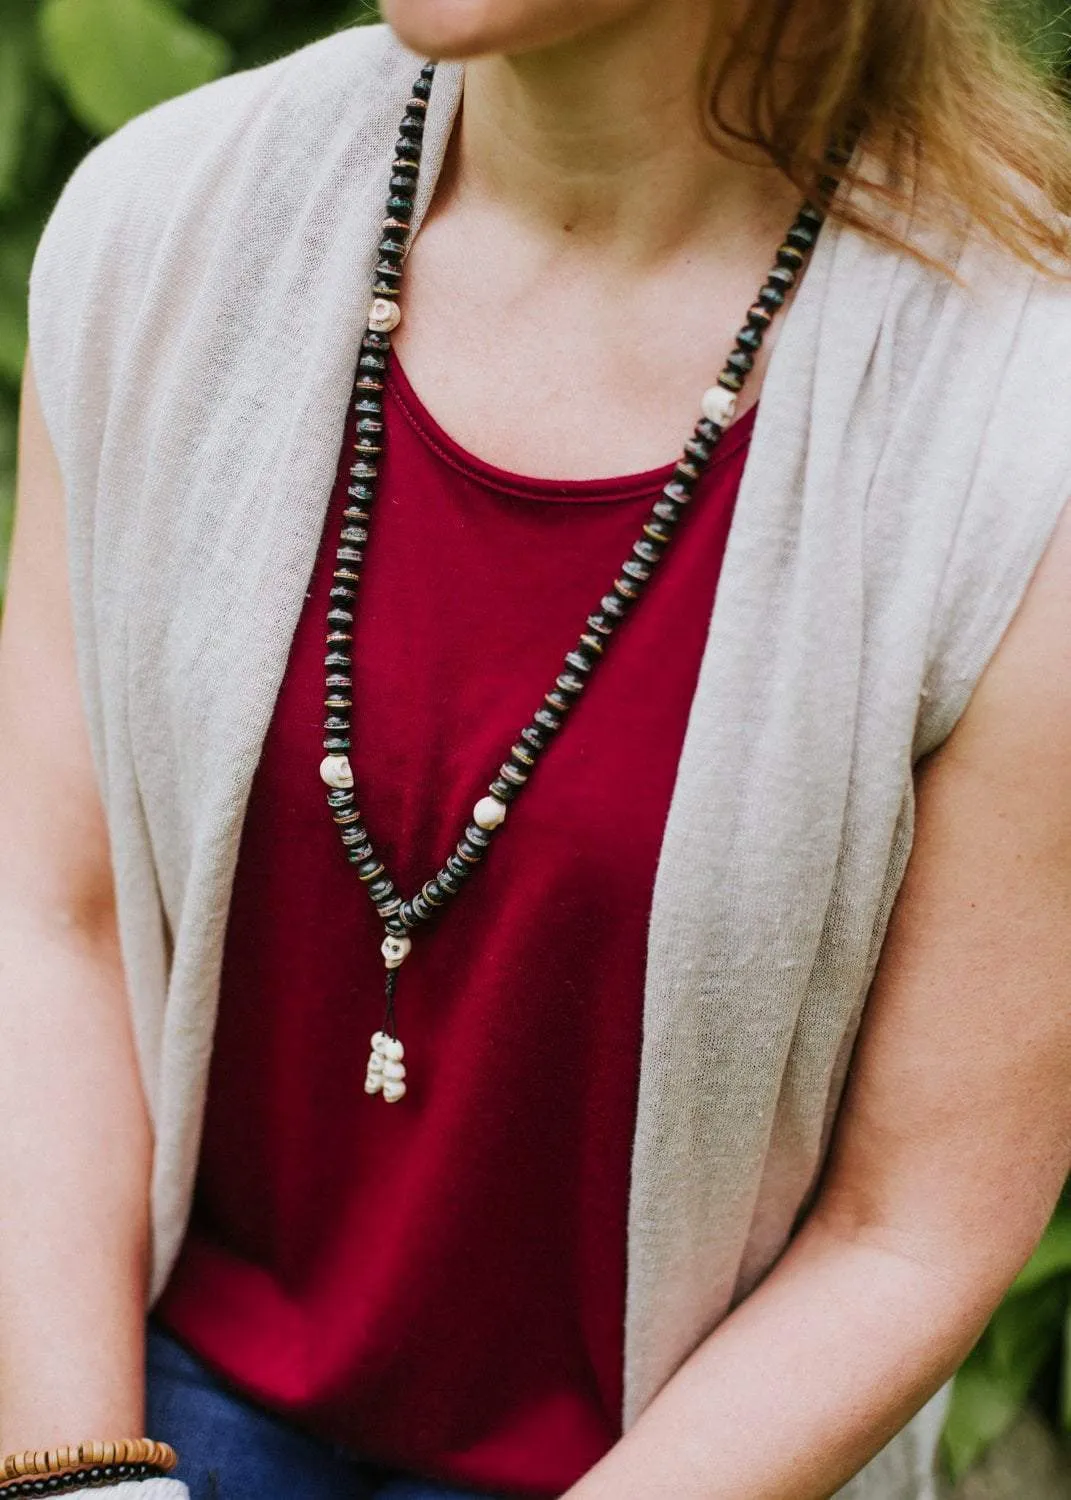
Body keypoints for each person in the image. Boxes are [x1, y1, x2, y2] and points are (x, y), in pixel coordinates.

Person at [3, 0, 1071, 1496]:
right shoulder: (165, 229)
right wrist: (78, 1479)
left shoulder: (1018, 434)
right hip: (143, 1390)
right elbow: (52, 913)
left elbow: (911, 1228)